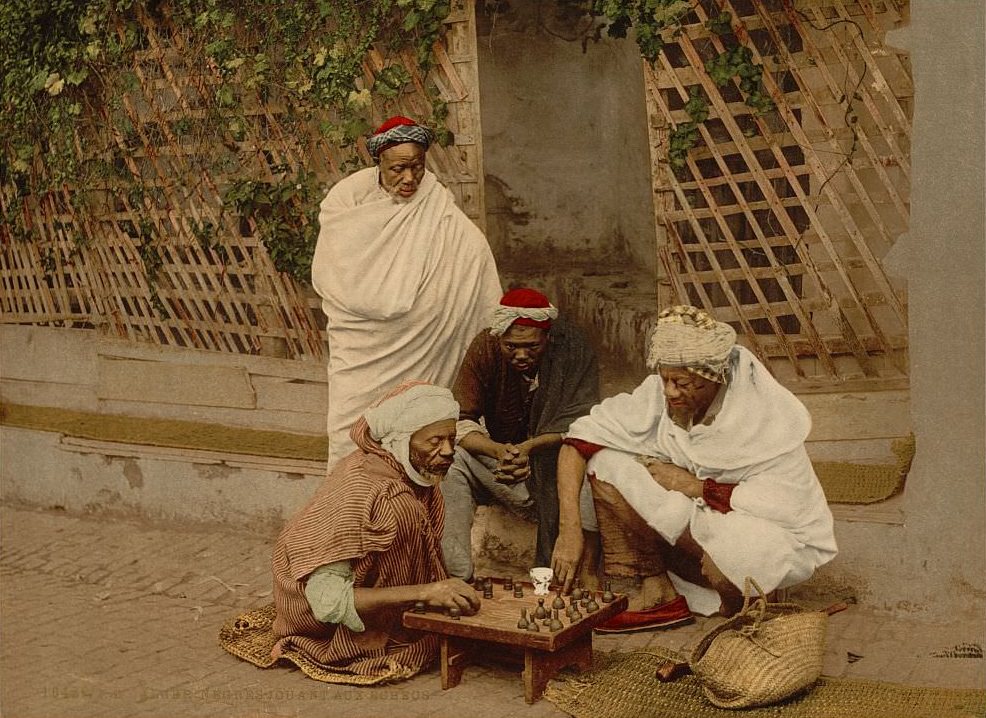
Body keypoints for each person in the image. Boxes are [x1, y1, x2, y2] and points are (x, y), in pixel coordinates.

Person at [551, 305, 837, 632]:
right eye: (665, 379)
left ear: (712, 377)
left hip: (766, 527)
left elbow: (785, 505)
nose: (670, 391)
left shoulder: (760, 414)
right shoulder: (662, 393)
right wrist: (569, 529)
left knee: (729, 561)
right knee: (606, 462)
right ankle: (657, 591)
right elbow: (579, 439)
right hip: (697, 515)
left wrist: (695, 486)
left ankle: (752, 604)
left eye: (682, 383)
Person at [311, 115, 502, 466]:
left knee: (418, 431)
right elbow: (335, 273)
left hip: (424, 351)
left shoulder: (437, 209)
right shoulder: (348, 203)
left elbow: (472, 255)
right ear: (378, 162)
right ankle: (349, 509)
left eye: (417, 167)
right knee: (351, 433)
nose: (409, 178)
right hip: (361, 351)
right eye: (398, 168)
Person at [270, 382, 480, 683]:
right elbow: (327, 605)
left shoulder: (413, 476)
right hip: (317, 619)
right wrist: (426, 591)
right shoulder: (365, 490)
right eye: (434, 441)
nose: (447, 451)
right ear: (400, 440)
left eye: (451, 439)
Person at [441, 287, 600, 581]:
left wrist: (530, 448)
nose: (522, 355)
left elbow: (584, 424)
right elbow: (460, 420)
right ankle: (458, 575)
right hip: (507, 470)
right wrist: (499, 452)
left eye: (532, 347)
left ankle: (582, 574)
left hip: (559, 478)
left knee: (599, 462)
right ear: (498, 337)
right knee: (455, 460)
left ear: (547, 339)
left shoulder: (572, 350)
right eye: (511, 347)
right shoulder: (485, 348)